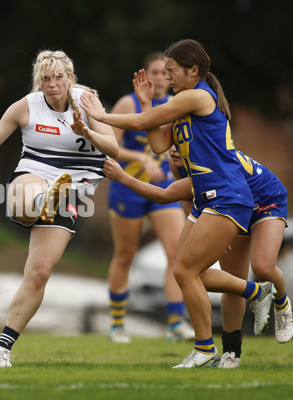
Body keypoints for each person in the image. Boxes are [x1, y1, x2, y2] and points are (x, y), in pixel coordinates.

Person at [80, 39, 275, 368]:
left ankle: (205, 348)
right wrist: (145, 102)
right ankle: (255, 293)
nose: (165, 77)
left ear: (193, 71)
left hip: (226, 195)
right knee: (185, 271)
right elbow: (157, 143)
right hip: (207, 197)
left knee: (185, 270)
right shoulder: (180, 102)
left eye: (171, 71)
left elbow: (141, 126)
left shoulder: (197, 96)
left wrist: (101, 115)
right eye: (164, 71)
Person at [0, 50, 119, 367]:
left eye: (58, 77)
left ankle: (2, 347)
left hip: (74, 189)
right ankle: (43, 199)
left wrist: (86, 130)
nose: (52, 84)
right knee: (25, 197)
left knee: (39, 273)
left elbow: (114, 148)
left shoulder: (87, 101)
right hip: (36, 175)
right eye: (45, 78)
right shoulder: (27, 106)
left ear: (70, 79)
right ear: (39, 82)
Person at [103, 148, 293, 367]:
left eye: (180, 142)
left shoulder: (207, 157)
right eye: (172, 142)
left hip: (265, 201)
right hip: (231, 205)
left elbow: (165, 195)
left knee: (262, 268)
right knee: (214, 277)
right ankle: (232, 353)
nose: (173, 149)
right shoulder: (180, 162)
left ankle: (280, 302)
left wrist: (122, 176)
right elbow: (190, 204)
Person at [104, 52, 193, 343]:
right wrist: (140, 159)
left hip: (163, 189)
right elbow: (109, 147)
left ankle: (175, 324)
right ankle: (117, 324)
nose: (159, 77)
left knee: (175, 252)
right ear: (145, 75)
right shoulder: (128, 103)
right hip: (127, 188)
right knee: (125, 255)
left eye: (165, 72)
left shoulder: (177, 105)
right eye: (154, 71)